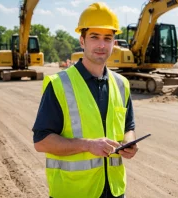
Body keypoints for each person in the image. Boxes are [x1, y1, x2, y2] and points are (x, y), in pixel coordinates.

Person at [32, 2, 138, 198]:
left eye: (107, 38)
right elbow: (41, 142)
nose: (101, 45)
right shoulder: (59, 84)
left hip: (114, 191)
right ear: (82, 41)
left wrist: (129, 143)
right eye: (94, 37)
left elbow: (128, 127)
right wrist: (88, 145)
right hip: (73, 191)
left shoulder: (122, 84)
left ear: (114, 43)